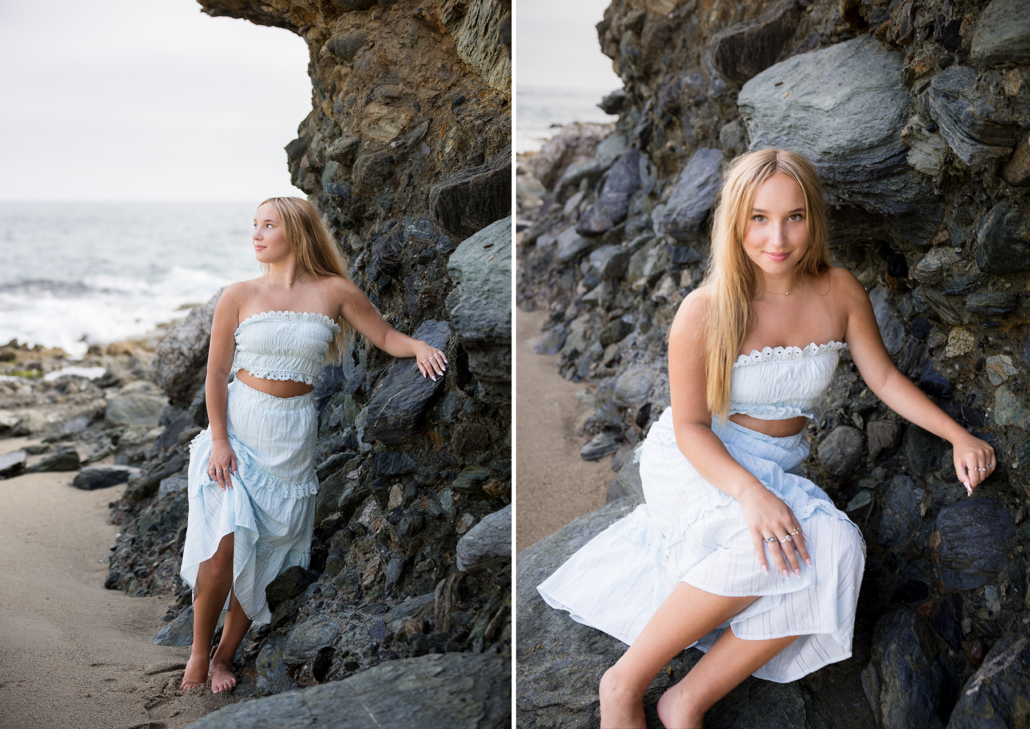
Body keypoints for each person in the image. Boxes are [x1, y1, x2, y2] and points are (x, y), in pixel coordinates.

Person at [537, 149, 996, 728]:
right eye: (759, 217)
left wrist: (957, 435)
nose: (777, 237)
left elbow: (882, 378)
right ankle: (624, 683)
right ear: (735, 220)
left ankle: (686, 701)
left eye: (794, 216)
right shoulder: (704, 310)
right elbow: (689, 426)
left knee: (837, 551)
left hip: (777, 462)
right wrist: (750, 494)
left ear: (814, 219)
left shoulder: (839, 291)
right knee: (758, 541)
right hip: (703, 458)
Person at [179, 196, 447, 693]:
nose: (256, 235)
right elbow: (216, 372)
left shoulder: (334, 291)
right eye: (253, 226)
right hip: (236, 432)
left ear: (296, 233)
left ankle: (224, 657)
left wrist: (421, 346)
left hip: (290, 437)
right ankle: (197, 654)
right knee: (222, 551)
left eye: (268, 226)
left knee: (262, 557)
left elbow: (384, 336)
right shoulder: (238, 294)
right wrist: (218, 439)